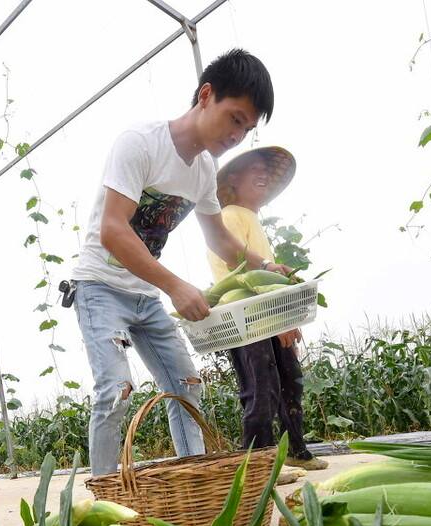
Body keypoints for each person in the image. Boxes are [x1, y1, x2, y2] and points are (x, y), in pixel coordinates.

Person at [71, 49, 294, 476]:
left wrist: (267, 268)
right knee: (116, 390)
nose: (237, 135)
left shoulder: (204, 170)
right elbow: (113, 231)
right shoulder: (140, 143)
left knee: (187, 387)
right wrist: (176, 286)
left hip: (144, 294)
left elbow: (220, 238)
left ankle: (191, 479)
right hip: (99, 286)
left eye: (247, 129)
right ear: (206, 95)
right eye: (235, 118)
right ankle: (103, 492)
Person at [208, 147, 328, 470]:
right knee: (262, 391)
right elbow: (247, 276)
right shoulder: (231, 215)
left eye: (266, 170)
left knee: (291, 381)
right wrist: (280, 319)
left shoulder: (250, 219)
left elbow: (267, 279)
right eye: (253, 169)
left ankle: (295, 451)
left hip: (269, 316)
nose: (262, 174)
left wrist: (287, 316)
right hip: (247, 318)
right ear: (233, 178)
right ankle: (259, 467)